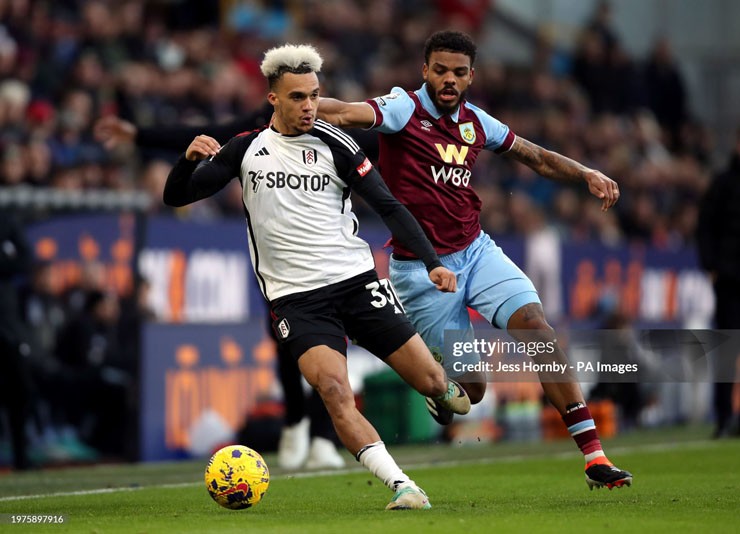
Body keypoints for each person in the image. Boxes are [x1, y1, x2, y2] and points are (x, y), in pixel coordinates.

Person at [318, 30, 632, 490]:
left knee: (536, 328)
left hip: (477, 250)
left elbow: (538, 158)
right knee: (474, 392)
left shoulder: (476, 122)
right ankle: (440, 393)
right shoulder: (403, 108)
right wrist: (302, 107)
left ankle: (595, 458)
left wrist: (585, 172)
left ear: (471, 76)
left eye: (458, 72)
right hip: (421, 271)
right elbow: (348, 113)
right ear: (424, 71)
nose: (449, 79)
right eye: (440, 70)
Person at [163, 43, 470, 510]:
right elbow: (177, 197)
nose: (309, 106)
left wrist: (433, 262)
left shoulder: (336, 144)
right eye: (297, 97)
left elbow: (389, 206)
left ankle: (439, 391)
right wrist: (186, 160)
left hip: (355, 282)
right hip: (296, 300)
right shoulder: (246, 150)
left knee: (432, 383)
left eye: (313, 95)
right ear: (273, 99)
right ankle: (402, 487)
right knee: (332, 390)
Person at [94, 109, 375, 470]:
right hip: (277, 263)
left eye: (310, 90)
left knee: (334, 345)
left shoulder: (325, 127)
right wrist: (139, 135)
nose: (304, 102)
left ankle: (322, 436)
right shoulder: (257, 128)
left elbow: (380, 141)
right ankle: (294, 422)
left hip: (327, 257)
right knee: (286, 342)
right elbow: (203, 133)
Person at [696, 128, 740, 439]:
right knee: (727, 348)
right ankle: (724, 418)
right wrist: (711, 266)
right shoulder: (723, 183)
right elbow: (705, 227)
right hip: (730, 279)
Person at [0, 212, 34, 470]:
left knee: (20, 388)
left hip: (8, 323)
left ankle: (21, 456)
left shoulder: (6, 222)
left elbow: (25, 260)